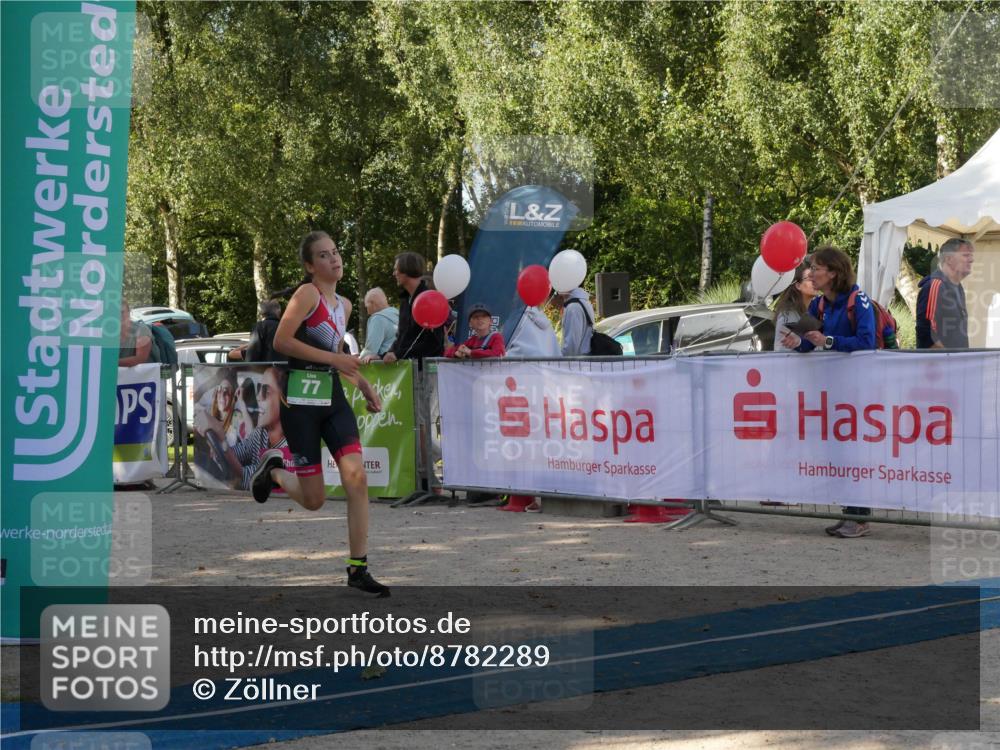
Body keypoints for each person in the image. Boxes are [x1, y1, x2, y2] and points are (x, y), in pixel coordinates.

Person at [252, 230, 389, 596]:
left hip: (332, 397)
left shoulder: (343, 304)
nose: (334, 259)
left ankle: (358, 568)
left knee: (356, 477)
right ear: (311, 266)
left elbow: (337, 358)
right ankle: (276, 471)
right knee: (314, 500)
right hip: (298, 401)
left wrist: (362, 384)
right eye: (324, 255)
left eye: (336, 252)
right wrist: (336, 359)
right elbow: (282, 341)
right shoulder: (307, 294)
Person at [779, 245, 876, 539]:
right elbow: (812, 340)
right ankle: (850, 512)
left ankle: (859, 517)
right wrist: (799, 345)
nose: (811, 273)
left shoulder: (858, 300)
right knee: (839, 451)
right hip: (832, 391)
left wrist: (828, 341)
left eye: (817, 268)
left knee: (854, 452)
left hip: (858, 390)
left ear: (833, 273)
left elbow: (867, 341)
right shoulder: (819, 305)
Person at [383, 252, 445, 364]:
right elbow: (402, 337)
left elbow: (434, 343)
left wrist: (399, 355)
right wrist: (383, 355)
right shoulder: (405, 300)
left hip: (427, 370)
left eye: (396, 269)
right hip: (406, 369)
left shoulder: (430, 300)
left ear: (407, 270)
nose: (394, 274)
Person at [916, 238, 974, 349]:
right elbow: (927, 333)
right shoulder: (935, 285)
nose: (971, 260)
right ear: (949, 259)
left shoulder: (958, 288)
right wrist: (949, 361)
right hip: (940, 364)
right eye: (966, 255)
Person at [773, 263, 817, 352]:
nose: (814, 281)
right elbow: (785, 349)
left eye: (815, 278)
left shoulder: (814, 308)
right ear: (798, 285)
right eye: (809, 279)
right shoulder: (788, 313)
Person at [359, 287, 399, 363]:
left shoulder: (378, 318)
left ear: (372, 303)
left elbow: (370, 350)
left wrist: (357, 359)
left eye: (366, 307)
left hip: (384, 369)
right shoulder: (398, 315)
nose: (367, 312)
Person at [559, 286, 596, 356]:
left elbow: (571, 345)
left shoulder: (573, 307)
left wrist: (561, 360)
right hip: (585, 359)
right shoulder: (583, 301)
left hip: (579, 362)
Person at [118, 299, 154, 366]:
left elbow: (140, 359)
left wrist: (111, 363)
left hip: (142, 375)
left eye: (121, 312)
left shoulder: (141, 330)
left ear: (129, 312)